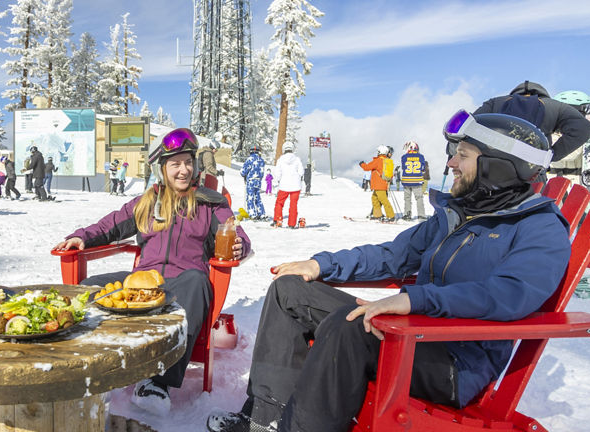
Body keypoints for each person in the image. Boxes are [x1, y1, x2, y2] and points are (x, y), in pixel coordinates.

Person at [207, 111, 566, 432]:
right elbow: (394, 255)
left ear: (498, 166)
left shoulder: (540, 228)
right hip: (412, 336)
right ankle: (264, 420)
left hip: (455, 363)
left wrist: (415, 300)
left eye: (464, 155)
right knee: (290, 289)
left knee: (349, 323)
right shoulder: (457, 215)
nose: (452, 162)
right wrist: (322, 264)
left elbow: (509, 294)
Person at [53, 127, 252, 416]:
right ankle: (92, 365)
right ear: (163, 168)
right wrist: (82, 237)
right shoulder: (147, 202)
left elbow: (238, 236)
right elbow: (110, 225)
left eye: (188, 162)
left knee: (198, 281)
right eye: (175, 164)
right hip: (143, 282)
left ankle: (157, 382)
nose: (183, 170)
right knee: (89, 286)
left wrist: (239, 247)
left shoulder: (211, 204)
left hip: (182, 285)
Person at [473, 80, 590, 161]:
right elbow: (583, 129)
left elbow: (466, 126)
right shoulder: (556, 106)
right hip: (533, 171)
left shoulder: (494, 103)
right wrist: (551, 155)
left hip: (494, 167)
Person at [548, 90, 590, 184]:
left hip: (583, 190)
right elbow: (570, 153)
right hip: (555, 191)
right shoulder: (548, 136)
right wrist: (584, 127)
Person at [272, 143, 304, 228]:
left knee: (279, 203)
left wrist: (279, 180)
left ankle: (278, 220)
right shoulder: (297, 159)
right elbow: (301, 172)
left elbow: (277, 174)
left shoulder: (280, 160)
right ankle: (292, 224)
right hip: (296, 186)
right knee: (293, 205)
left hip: (284, 185)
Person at [360, 145, 395, 221]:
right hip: (382, 184)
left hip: (379, 185)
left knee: (384, 200)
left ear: (380, 152)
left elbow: (367, 167)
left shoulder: (378, 161)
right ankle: (377, 215)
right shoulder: (386, 161)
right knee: (374, 199)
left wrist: (362, 164)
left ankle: (391, 216)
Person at [400, 141, 426, 220]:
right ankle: (421, 215)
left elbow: (403, 167)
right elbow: (423, 168)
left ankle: (407, 214)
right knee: (419, 198)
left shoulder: (404, 157)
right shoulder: (421, 157)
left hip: (406, 181)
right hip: (417, 181)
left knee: (407, 199)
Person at [241, 146, 266, 220]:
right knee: (257, 197)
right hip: (258, 181)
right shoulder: (261, 160)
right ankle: (261, 213)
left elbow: (243, 171)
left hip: (251, 180)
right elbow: (262, 171)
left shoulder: (250, 159)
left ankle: (252, 214)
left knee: (250, 197)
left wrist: (244, 174)